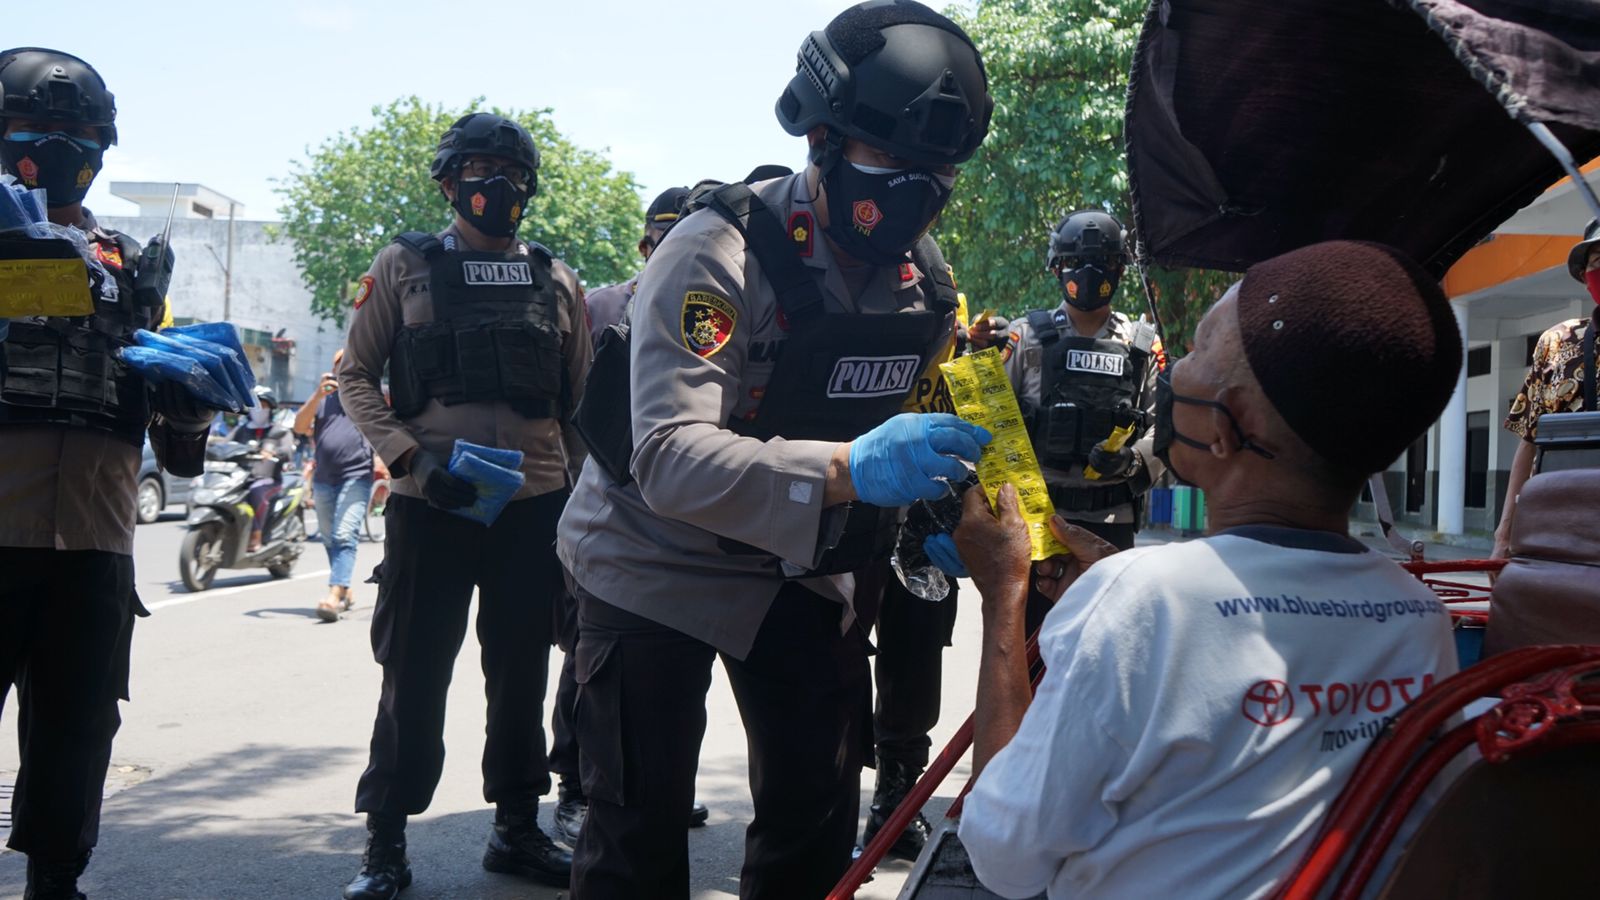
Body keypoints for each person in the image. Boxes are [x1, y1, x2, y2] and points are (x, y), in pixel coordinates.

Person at [555, 3, 993, 896]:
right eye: (891, 164)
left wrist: (939, 514)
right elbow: (670, 456)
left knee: (815, 819)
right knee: (636, 833)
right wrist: (852, 469)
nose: (915, 192)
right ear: (822, 140)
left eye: (938, 172)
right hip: (653, 556)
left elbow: (926, 420)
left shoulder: (925, 285)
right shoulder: (717, 252)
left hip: (798, 564)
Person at [951, 241, 1463, 900]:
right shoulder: (1420, 618)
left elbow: (1004, 857)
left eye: (1194, 351)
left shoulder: (1139, 604)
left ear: (1227, 427)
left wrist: (1004, 595)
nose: (1176, 371)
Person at [336, 111, 589, 899]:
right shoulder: (403, 265)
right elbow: (354, 377)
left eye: (512, 174)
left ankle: (516, 829)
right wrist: (409, 456)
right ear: (449, 184)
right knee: (414, 676)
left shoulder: (557, 279)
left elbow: (579, 405)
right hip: (430, 503)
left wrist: (587, 506)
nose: (496, 186)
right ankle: (385, 843)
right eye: (478, 172)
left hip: (533, 507)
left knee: (520, 675)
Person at [0, 47, 215, 900]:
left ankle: (57, 881)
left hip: (95, 536)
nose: (58, 148)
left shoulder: (132, 266)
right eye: (34, 128)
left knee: (79, 727)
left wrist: (192, 402)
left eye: (80, 134)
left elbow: (176, 443)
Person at [1001, 210, 1162, 555]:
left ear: (1120, 268)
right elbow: (992, 423)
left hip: (1112, 520)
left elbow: (1163, 426)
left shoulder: (1142, 345)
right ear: (1056, 267)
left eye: (1103, 261)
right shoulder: (1024, 337)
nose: (1089, 271)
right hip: (1036, 519)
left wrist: (1132, 461)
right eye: (1075, 261)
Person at [1494, 218, 1599, 560]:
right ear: (1584, 276)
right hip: (1561, 528)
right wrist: (1504, 533)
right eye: (1598, 261)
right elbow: (1529, 441)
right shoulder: (1557, 342)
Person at [293, 349, 384, 622]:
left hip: (356, 475)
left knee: (345, 535)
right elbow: (299, 427)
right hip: (324, 478)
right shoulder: (323, 399)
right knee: (329, 537)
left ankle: (334, 595)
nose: (343, 369)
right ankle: (344, 590)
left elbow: (384, 429)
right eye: (338, 365)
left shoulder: (367, 395)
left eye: (348, 364)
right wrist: (317, 395)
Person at [582, 186, 689, 343]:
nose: (679, 256)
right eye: (666, 245)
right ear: (643, 248)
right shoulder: (599, 306)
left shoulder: (713, 313)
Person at [229, 386, 297, 553]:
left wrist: (274, 452)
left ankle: (256, 535)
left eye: (264, 405)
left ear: (271, 409)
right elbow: (226, 444)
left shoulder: (279, 431)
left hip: (269, 480)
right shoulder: (242, 429)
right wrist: (211, 444)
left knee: (256, 490)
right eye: (255, 405)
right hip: (240, 478)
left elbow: (287, 451)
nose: (259, 409)